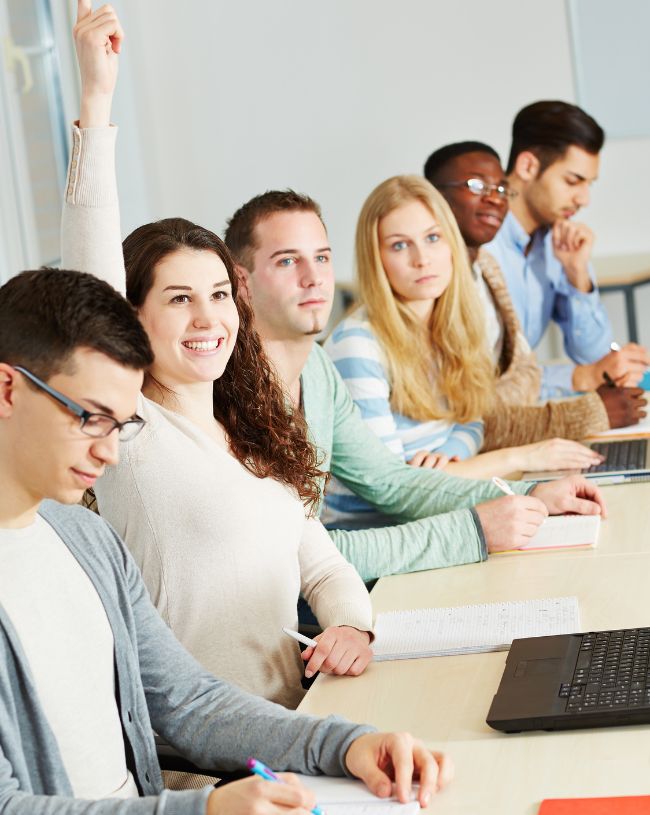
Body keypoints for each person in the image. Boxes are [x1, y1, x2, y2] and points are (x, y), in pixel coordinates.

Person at [0, 265, 453, 812]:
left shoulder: (85, 539)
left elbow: (188, 701)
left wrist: (346, 745)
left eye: (120, 426)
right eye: (91, 418)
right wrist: (206, 809)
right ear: (8, 389)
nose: (110, 452)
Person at [65, 0, 372, 711]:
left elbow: (322, 565)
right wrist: (97, 101)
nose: (208, 319)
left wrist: (351, 626)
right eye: (179, 299)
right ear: (130, 318)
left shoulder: (255, 431)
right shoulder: (130, 427)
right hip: (203, 750)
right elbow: (90, 273)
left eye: (218, 295)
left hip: (296, 723)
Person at [224, 193, 606, 581]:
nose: (313, 278)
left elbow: (390, 481)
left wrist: (528, 495)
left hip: (335, 585)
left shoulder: (316, 368)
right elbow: (294, 557)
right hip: (292, 599)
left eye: (321, 258)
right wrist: (473, 530)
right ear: (242, 281)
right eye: (287, 261)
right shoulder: (230, 393)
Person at [322, 175, 609, 527]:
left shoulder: (453, 325)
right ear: (376, 258)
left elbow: (472, 416)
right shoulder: (358, 345)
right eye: (399, 245)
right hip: (379, 533)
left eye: (432, 238)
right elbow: (397, 491)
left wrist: (452, 453)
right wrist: (525, 456)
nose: (422, 259)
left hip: (441, 510)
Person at [423, 140, 647, 450]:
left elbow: (519, 376)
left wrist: (577, 275)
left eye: (501, 189)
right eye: (476, 186)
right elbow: (470, 411)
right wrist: (585, 404)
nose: (494, 199)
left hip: (495, 436)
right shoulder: (435, 278)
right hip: (461, 450)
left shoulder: (487, 266)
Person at [484, 101, 650, 399]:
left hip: (524, 406)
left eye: (589, 184)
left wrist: (578, 275)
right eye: (573, 181)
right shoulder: (480, 244)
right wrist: (578, 377)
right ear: (528, 166)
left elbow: (595, 356)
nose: (584, 199)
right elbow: (484, 381)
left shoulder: (557, 243)